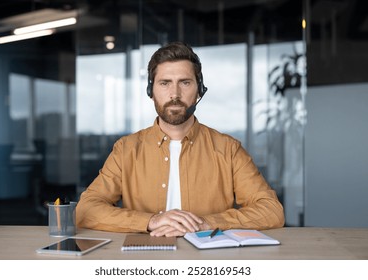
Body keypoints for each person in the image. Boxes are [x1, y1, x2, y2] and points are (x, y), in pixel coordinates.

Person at [76, 41, 285, 237]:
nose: (174, 93)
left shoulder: (228, 149)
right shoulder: (126, 150)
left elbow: (271, 211)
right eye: (165, 83)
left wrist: (206, 223)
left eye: (185, 82)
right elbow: (86, 210)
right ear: (151, 91)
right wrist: (151, 221)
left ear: (199, 90)